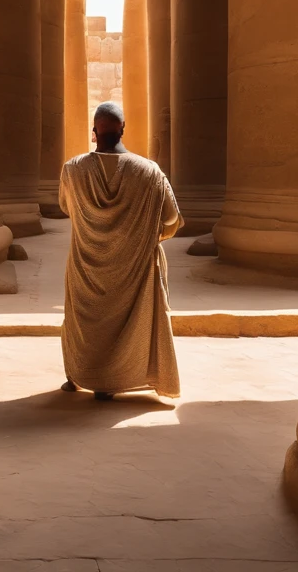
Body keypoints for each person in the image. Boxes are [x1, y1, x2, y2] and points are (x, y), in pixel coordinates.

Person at [58, 101, 183, 401]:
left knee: (85, 322)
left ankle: (81, 376)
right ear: (123, 129)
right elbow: (170, 217)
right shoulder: (150, 172)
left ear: (94, 132)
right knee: (130, 320)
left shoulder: (73, 170)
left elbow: (66, 207)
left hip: (85, 267)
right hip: (134, 270)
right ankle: (121, 377)